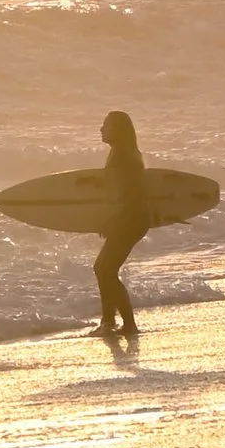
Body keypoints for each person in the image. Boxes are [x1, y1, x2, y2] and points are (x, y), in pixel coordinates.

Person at [95, 109, 150, 340]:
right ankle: (109, 322)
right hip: (134, 218)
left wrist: (112, 219)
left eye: (105, 124)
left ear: (117, 130)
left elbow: (128, 195)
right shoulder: (125, 152)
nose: (101, 128)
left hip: (129, 219)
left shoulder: (121, 156)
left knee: (104, 269)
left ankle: (127, 324)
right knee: (105, 269)